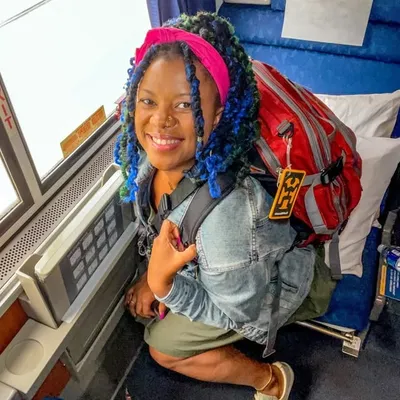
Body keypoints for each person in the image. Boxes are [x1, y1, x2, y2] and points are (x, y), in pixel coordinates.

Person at [115, 12, 318, 400]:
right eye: (148, 100)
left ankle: (272, 381)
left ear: (217, 116)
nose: (160, 121)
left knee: (162, 348)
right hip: (223, 270)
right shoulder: (147, 161)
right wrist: (156, 277)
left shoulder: (228, 220)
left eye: (185, 105)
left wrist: (162, 285)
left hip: (265, 291)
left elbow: (240, 314)